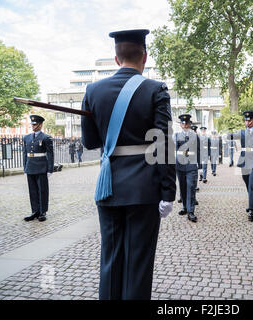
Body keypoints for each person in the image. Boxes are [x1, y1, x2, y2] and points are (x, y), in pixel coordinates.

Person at [81, 29, 176, 300]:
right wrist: (168, 192)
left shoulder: (93, 90)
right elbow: (164, 143)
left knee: (110, 260)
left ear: (115, 58)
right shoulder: (155, 89)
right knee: (138, 263)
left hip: (108, 186)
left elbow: (89, 142)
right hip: (144, 188)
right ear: (144, 57)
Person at [23, 115, 54, 222]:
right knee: (32, 191)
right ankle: (35, 211)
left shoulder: (46, 138)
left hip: (41, 167)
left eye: (35, 124)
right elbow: (25, 154)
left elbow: (50, 154)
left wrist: (50, 169)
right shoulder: (26, 137)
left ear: (40, 125)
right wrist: (25, 168)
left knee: (42, 190)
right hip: (30, 167)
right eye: (32, 124)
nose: (33, 126)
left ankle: (42, 211)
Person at [174, 114, 201, 223]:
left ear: (190, 124)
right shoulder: (176, 136)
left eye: (186, 123)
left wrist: (201, 166)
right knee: (183, 187)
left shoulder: (195, 136)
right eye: (182, 123)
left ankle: (191, 211)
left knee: (191, 187)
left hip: (191, 164)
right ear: (180, 124)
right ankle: (185, 207)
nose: (185, 125)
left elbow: (199, 150)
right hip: (180, 165)